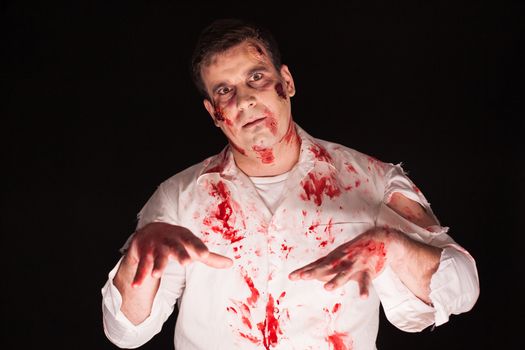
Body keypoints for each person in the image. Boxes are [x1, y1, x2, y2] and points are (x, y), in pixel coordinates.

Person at [101, 18, 479, 350]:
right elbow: (125, 332)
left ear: (287, 81)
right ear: (213, 113)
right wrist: (137, 253)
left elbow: (461, 290)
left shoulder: (371, 180)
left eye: (257, 77)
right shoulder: (177, 199)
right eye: (224, 90)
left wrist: (391, 246)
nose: (245, 99)